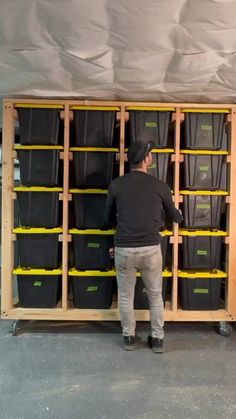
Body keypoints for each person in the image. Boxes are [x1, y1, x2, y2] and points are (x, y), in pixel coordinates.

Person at [105, 140, 182, 352]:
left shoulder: (116, 185)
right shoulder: (160, 186)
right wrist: (179, 213)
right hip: (150, 249)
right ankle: (157, 339)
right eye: (151, 154)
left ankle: (128, 337)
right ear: (146, 159)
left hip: (124, 249)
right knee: (155, 295)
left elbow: (108, 218)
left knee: (125, 296)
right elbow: (174, 216)